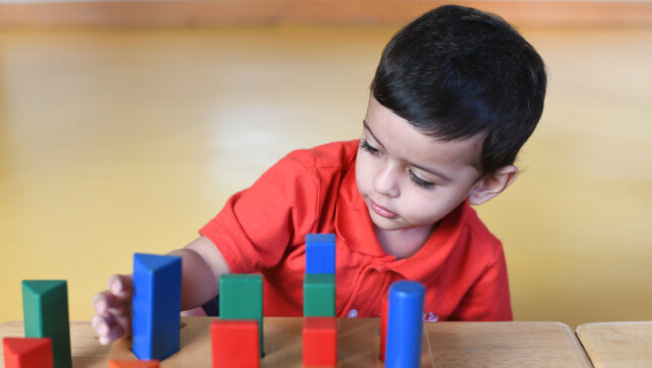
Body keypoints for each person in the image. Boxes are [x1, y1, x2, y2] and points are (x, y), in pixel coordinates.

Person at [92, 4, 547, 345]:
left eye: (422, 179)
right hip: (263, 344)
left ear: (487, 184)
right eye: (372, 146)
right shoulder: (305, 182)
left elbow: (486, 356)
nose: (382, 183)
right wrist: (154, 297)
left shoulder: (479, 263)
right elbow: (209, 261)